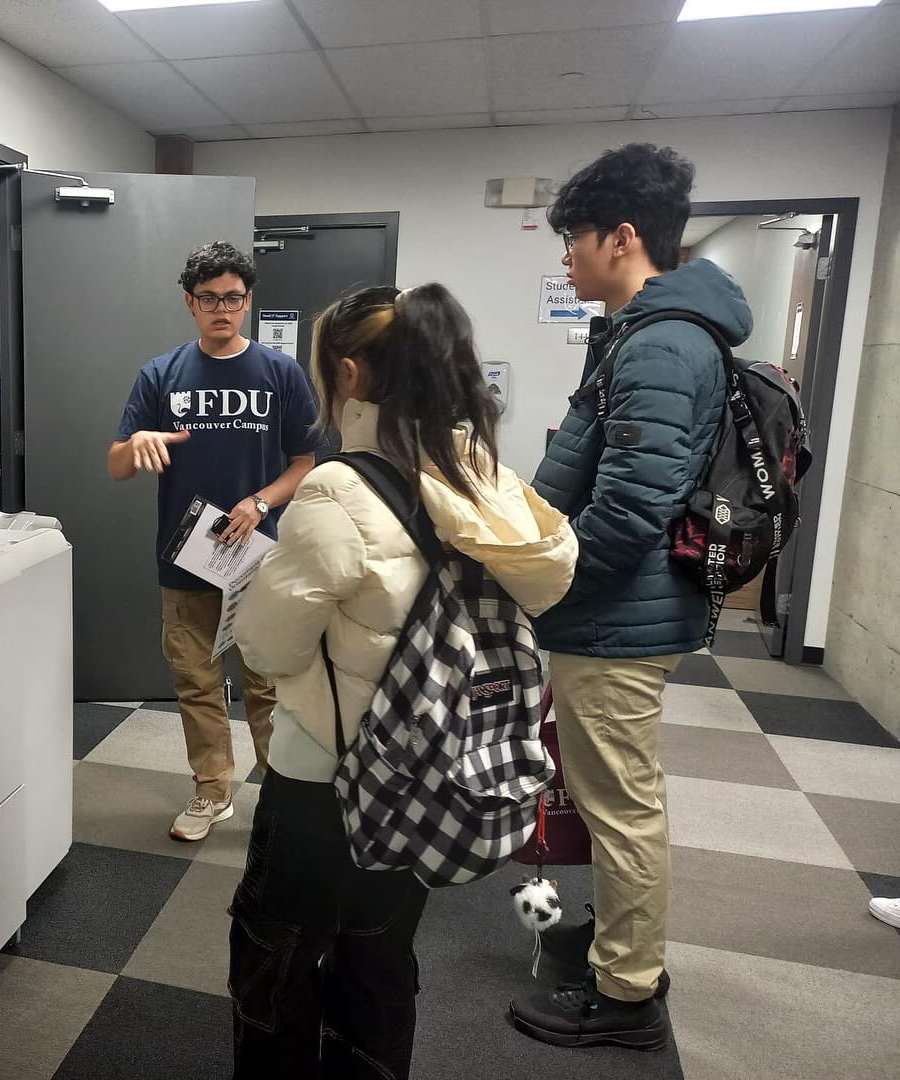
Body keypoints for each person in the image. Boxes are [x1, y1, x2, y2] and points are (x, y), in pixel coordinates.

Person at [231, 284, 577, 1077]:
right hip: (433, 766)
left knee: (278, 949)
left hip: (325, 769)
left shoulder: (336, 490)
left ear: (350, 375)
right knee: (381, 953)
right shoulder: (485, 475)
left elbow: (268, 647)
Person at [509, 144, 754, 1051]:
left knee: (620, 806)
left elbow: (629, 511)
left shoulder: (662, 343)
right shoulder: (645, 333)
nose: (566, 256)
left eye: (573, 238)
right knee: (612, 792)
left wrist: (541, 581)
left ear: (621, 238)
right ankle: (622, 944)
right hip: (615, 613)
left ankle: (626, 993)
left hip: (616, 619)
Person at [109, 241, 322, 842]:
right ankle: (212, 791)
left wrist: (261, 502)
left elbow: (305, 462)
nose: (221, 309)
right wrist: (136, 444)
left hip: (259, 561)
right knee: (196, 684)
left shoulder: (280, 373)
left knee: (267, 686)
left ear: (248, 301)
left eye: (232, 298)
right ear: (190, 303)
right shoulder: (161, 374)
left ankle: (281, 800)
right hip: (185, 561)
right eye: (209, 299)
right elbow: (117, 465)